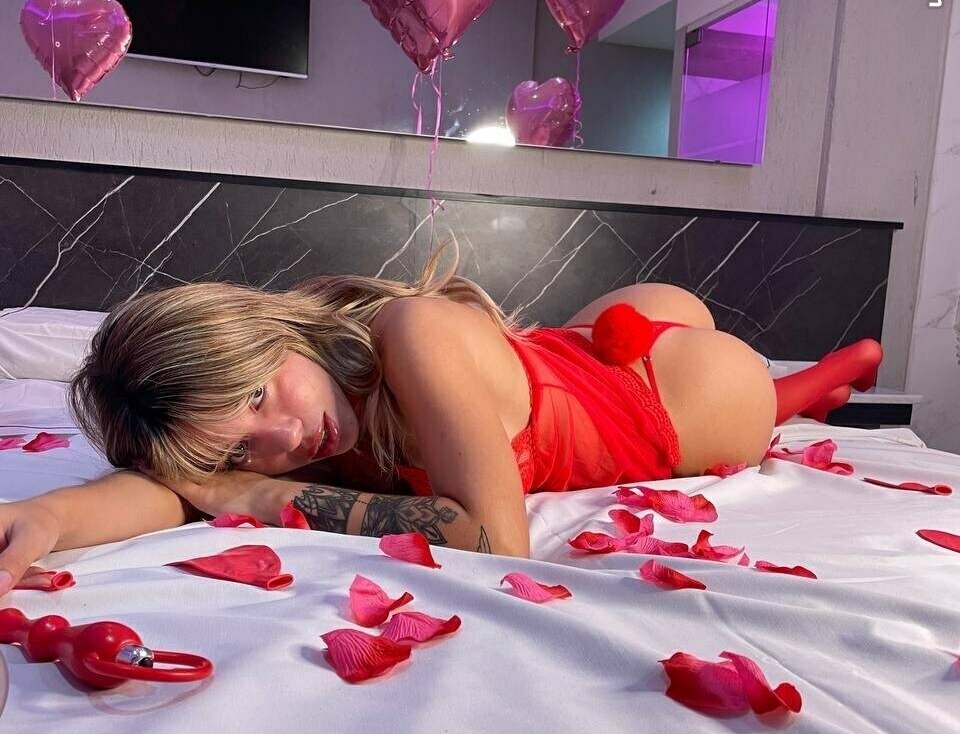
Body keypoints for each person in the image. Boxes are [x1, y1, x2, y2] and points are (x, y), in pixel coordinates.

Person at [0, 234, 882, 583]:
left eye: (258, 394)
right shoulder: (289, 432)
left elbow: (496, 544)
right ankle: (832, 381)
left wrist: (270, 497)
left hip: (675, 392)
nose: (285, 440)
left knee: (763, 405)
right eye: (241, 452)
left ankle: (808, 387)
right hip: (582, 347)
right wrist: (47, 516)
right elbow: (175, 487)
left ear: (269, 329)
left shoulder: (409, 330)